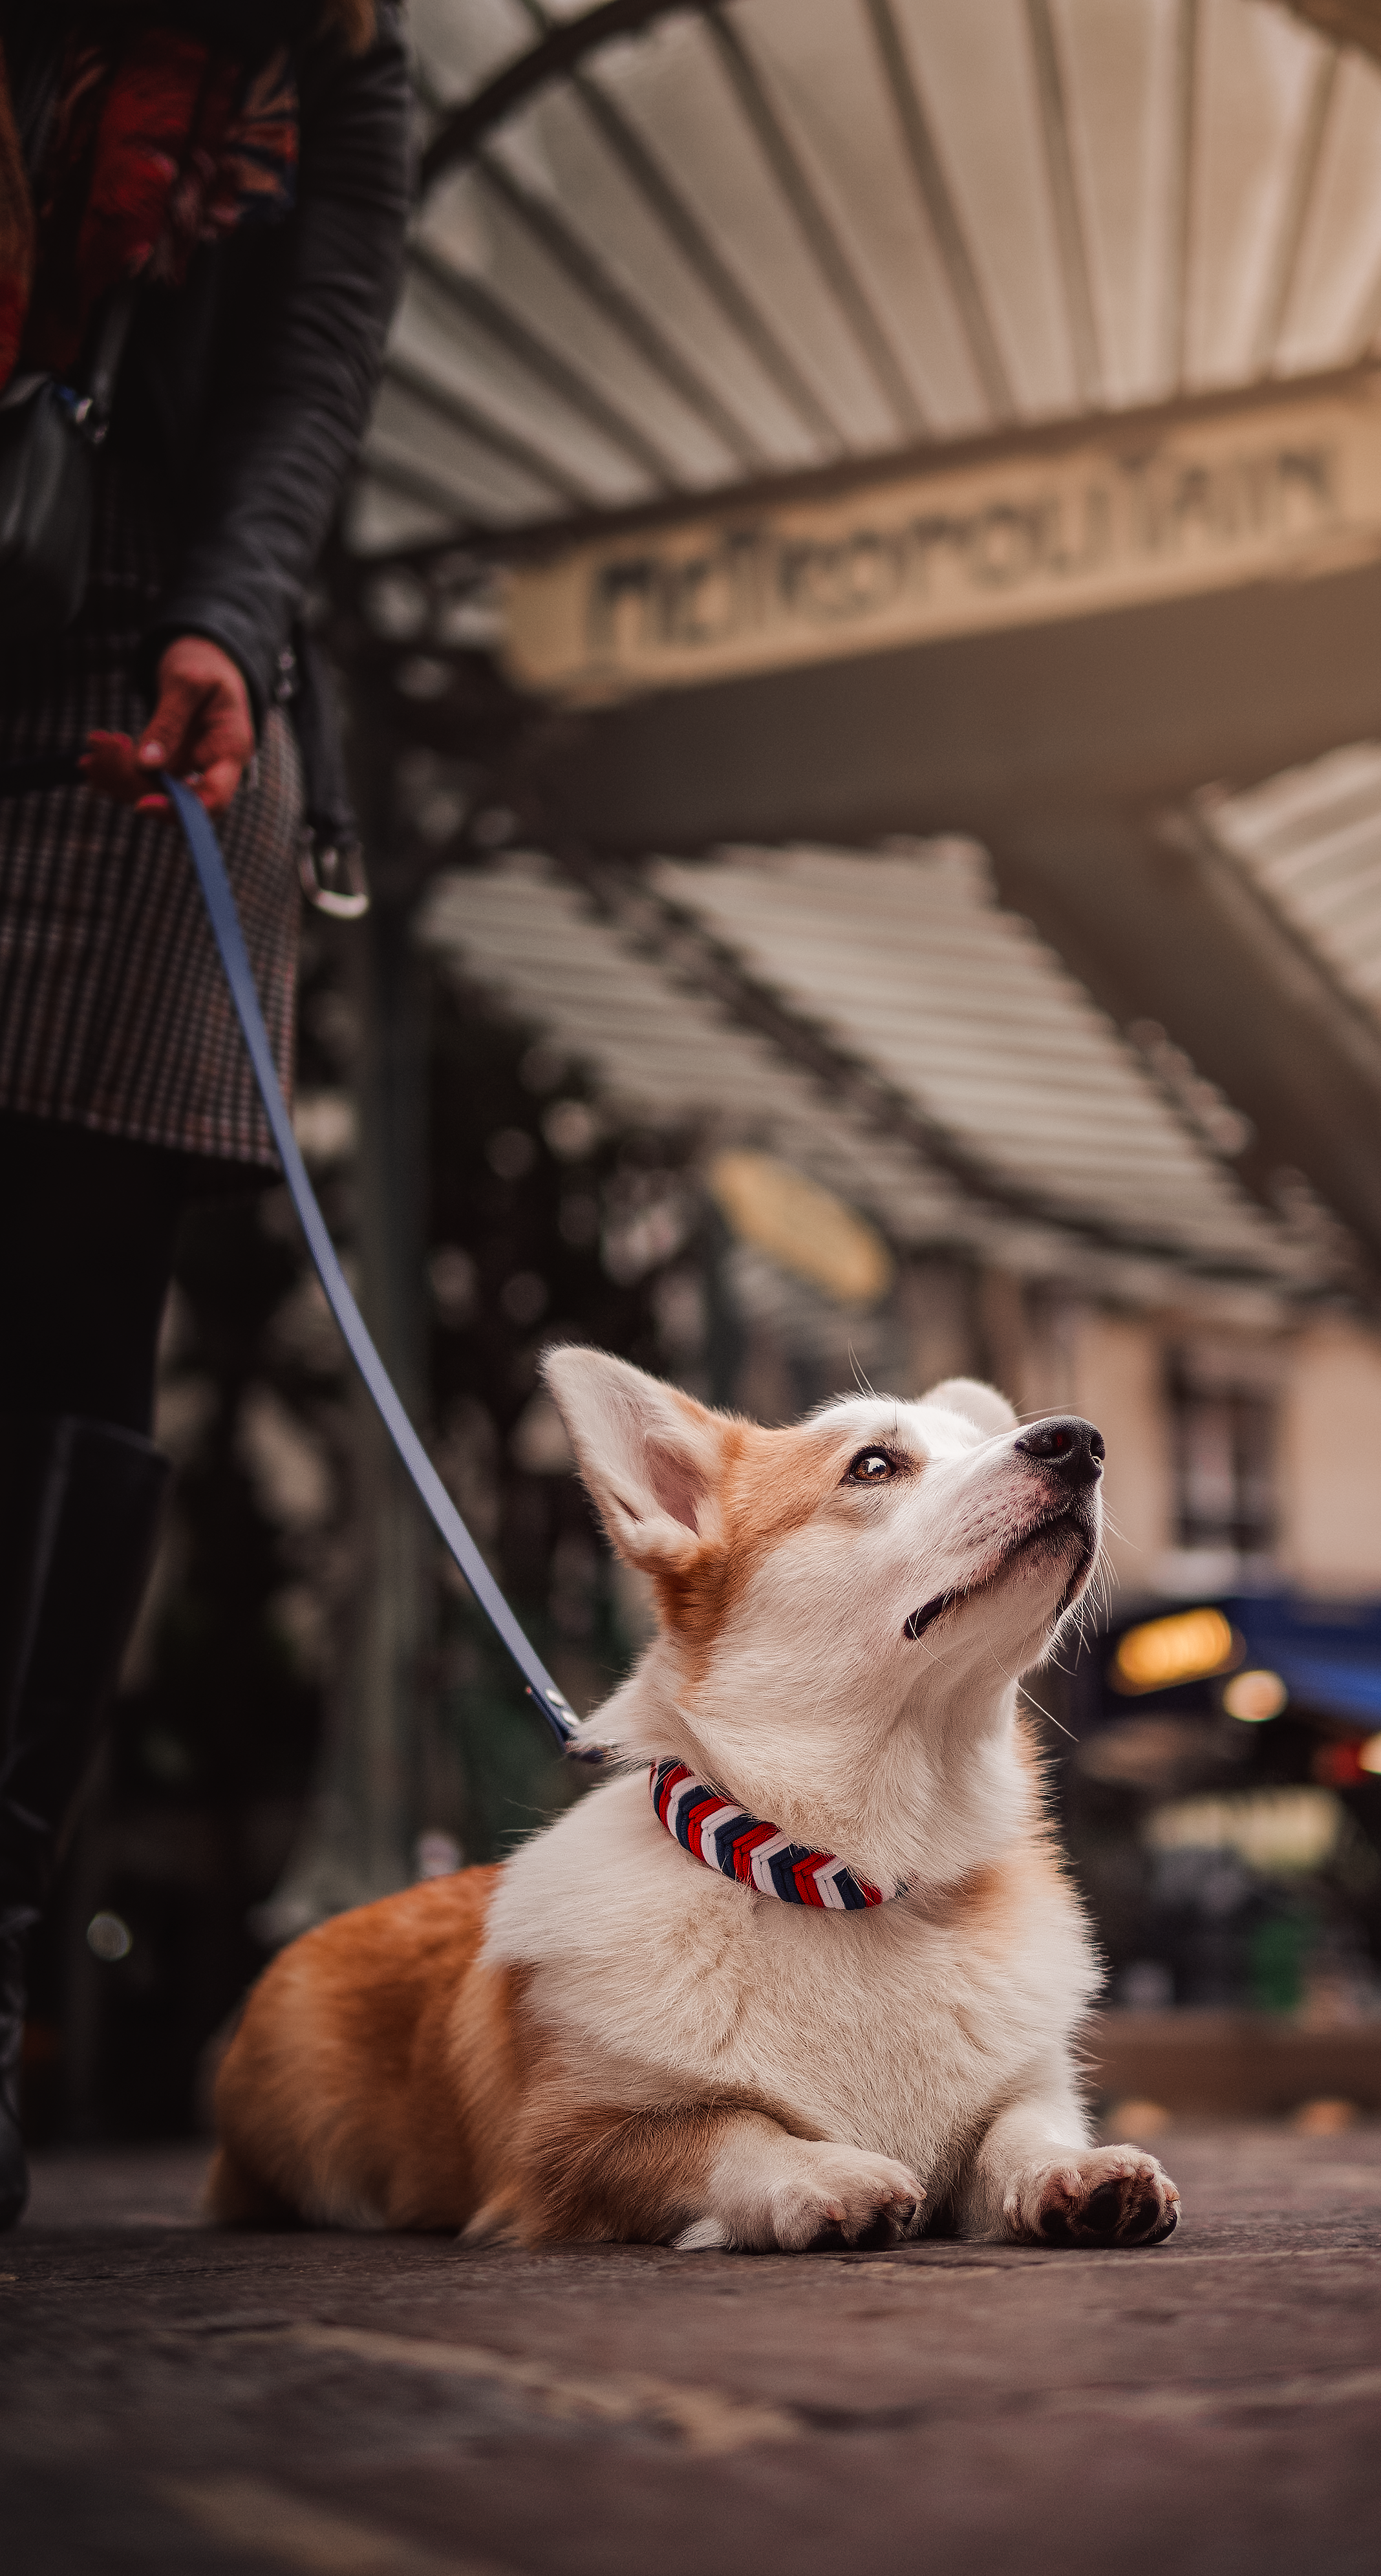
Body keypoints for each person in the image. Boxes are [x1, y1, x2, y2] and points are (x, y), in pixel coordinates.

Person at [0, 0, 410, 2226]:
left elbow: (307, 366)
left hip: (153, 670)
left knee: (66, 1340)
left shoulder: (335, 48)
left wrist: (234, 623)